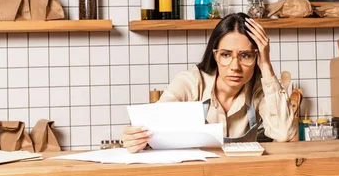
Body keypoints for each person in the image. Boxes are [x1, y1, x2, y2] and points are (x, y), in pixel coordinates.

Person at [122, 12, 297, 153]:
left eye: (245, 56)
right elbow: (155, 126)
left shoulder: (259, 90)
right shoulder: (190, 82)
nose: (235, 66)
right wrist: (137, 138)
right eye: (226, 54)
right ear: (214, 55)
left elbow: (284, 133)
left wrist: (266, 65)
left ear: (256, 58)